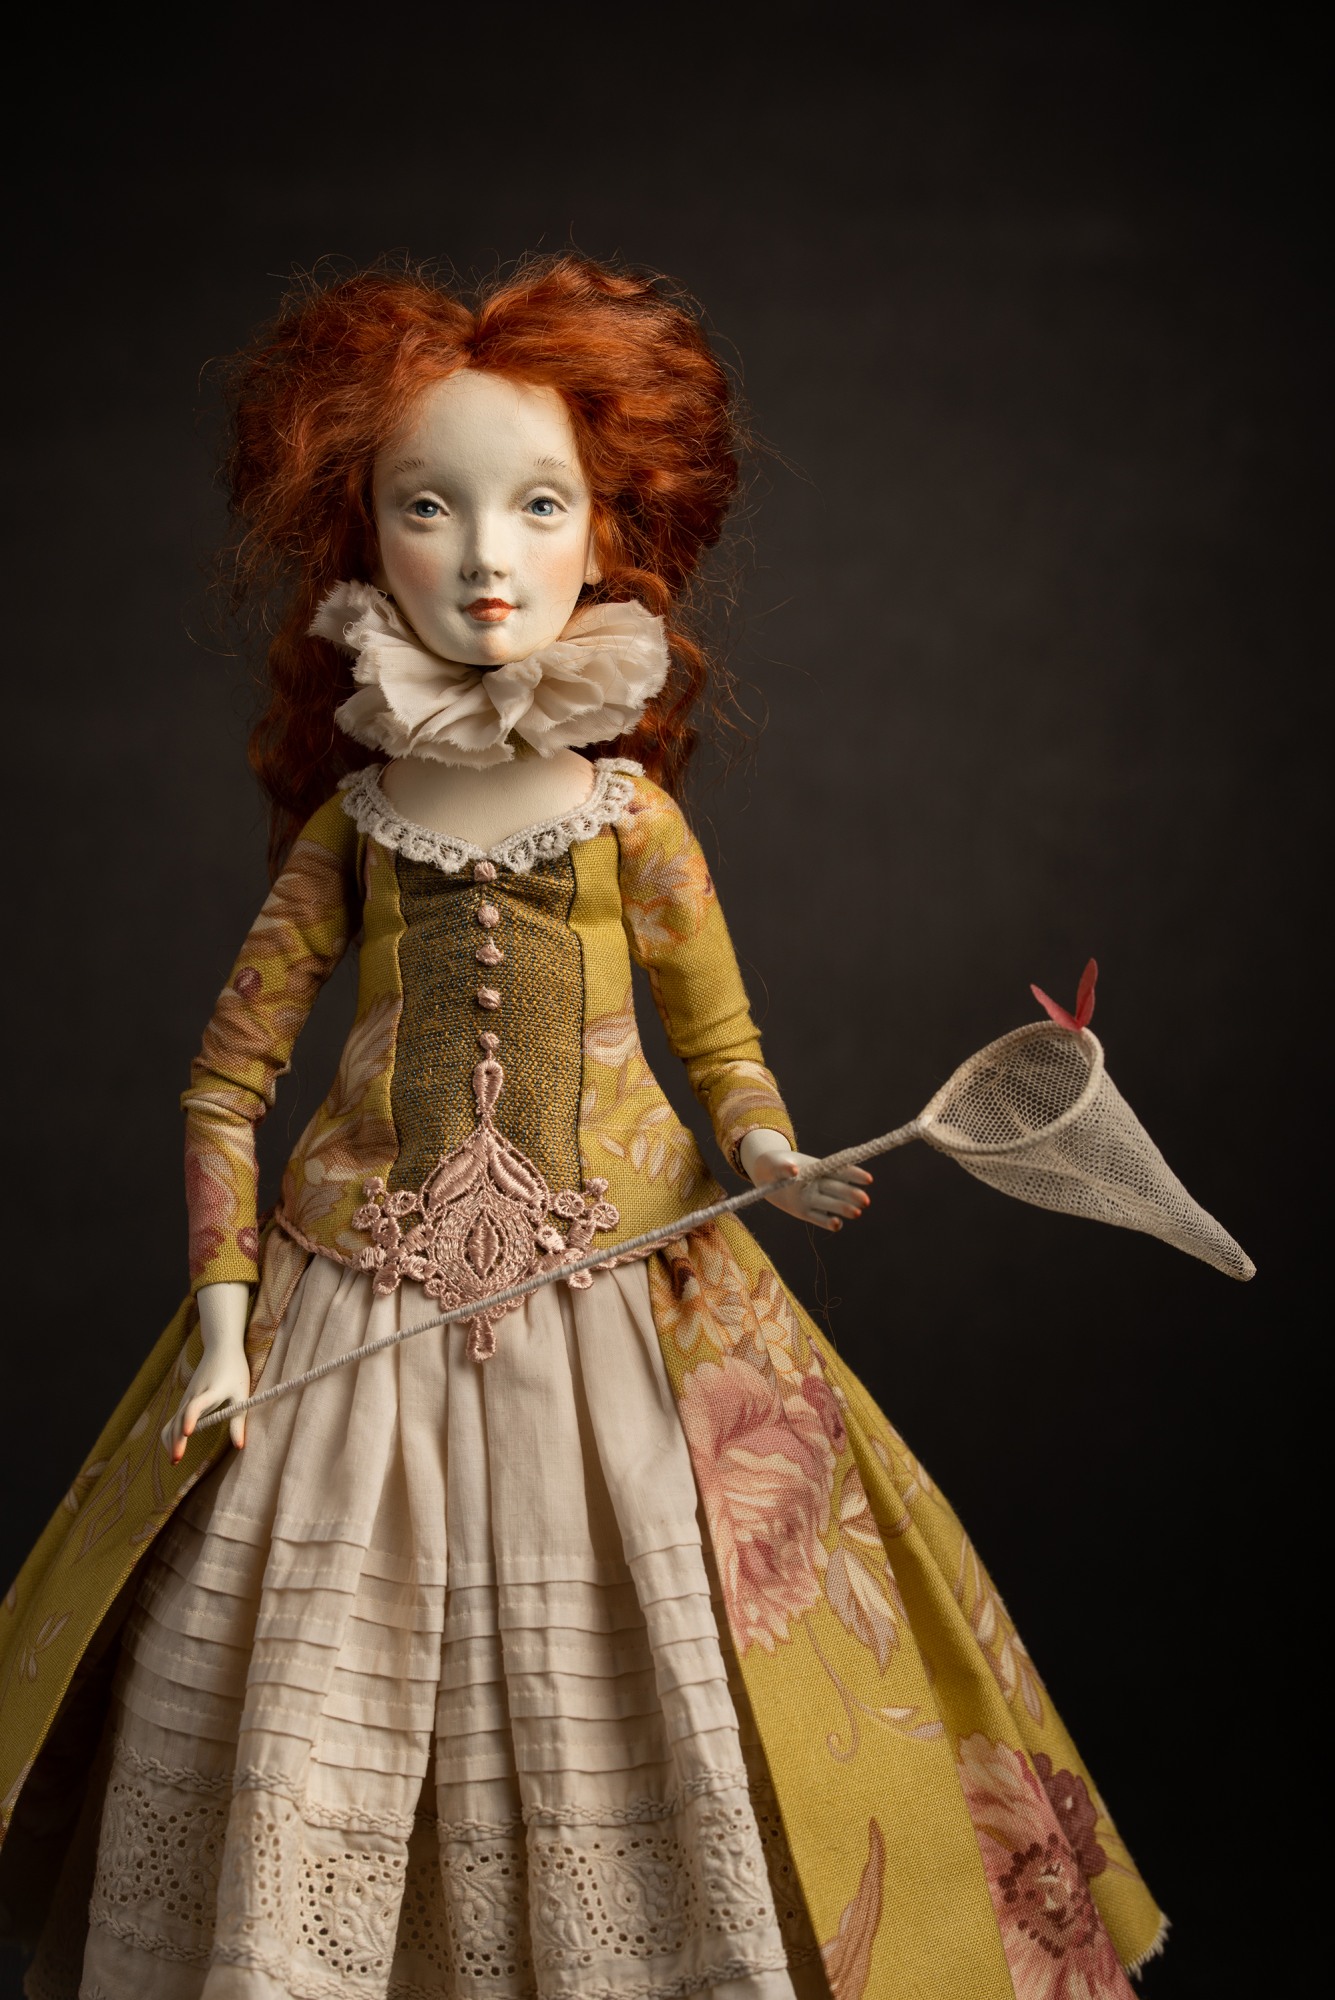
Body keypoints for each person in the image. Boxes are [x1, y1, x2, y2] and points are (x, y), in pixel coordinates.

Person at [0, 257, 1165, 2000]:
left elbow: (725, 1046)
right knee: (309, 1698)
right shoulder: (356, 827)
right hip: (356, 1314)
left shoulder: (633, 822)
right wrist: (228, 1331)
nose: (486, 556)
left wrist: (768, 1158)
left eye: (538, 505)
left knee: (681, 1674)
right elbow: (224, 1082)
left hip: (627, 1295)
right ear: (360, 536)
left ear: (608, 531)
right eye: (428, 507)